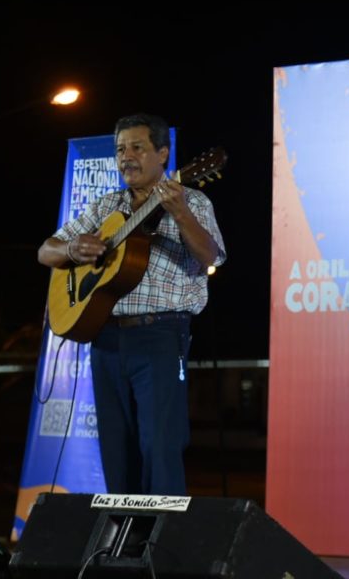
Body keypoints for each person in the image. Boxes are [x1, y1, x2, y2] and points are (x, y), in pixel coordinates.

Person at [38, 113, 226, 495]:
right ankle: (126, 542)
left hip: (160, 335)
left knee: (159, 445)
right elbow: (46, 251)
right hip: (105, 339)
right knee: (117, 449)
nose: (126, 157)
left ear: (163, 154)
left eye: (137, 148)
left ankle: (163, 546)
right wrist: (74, 248)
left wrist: (181, 213)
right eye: (121, 149)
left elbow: (211, 255)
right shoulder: (106, 205)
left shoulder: (192, 199)